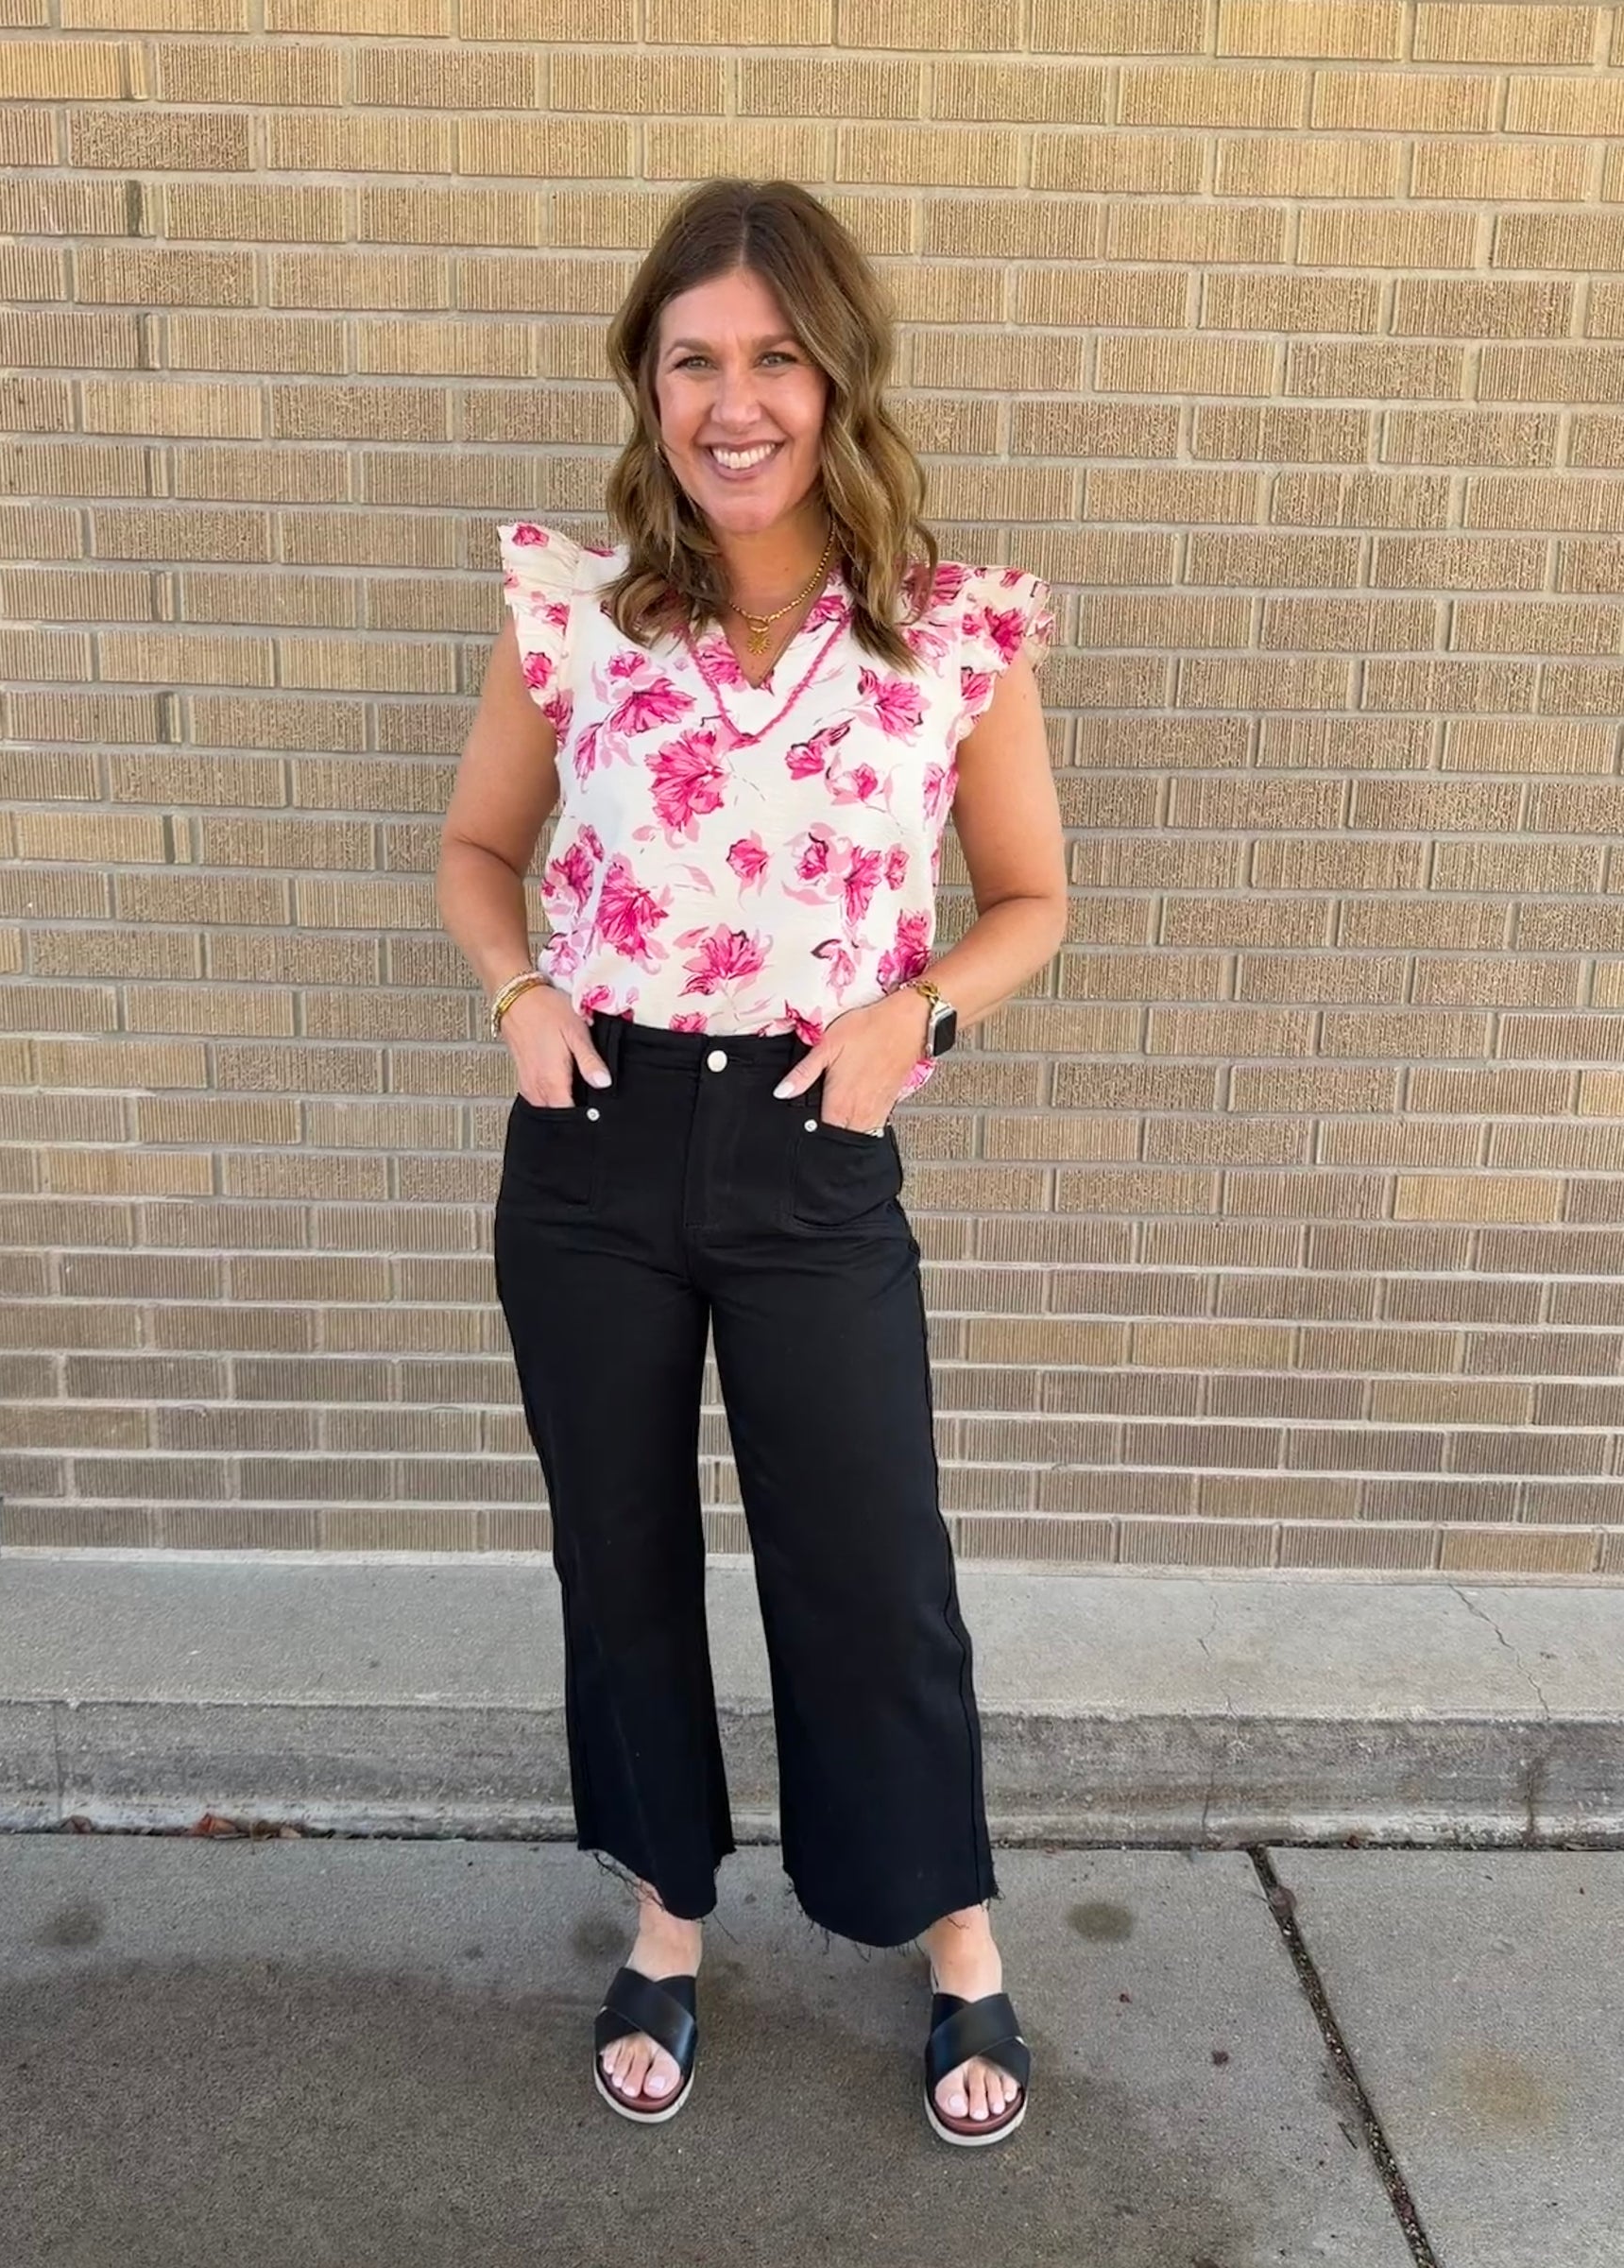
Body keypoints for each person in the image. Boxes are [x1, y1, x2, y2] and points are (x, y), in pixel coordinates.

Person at [436, 176, 1067, 2146]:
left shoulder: (950, 629)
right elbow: (473, 850)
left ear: (834, 375)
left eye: (773, 357)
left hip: (813, 1146)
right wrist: (519, 995)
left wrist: (914, 1021)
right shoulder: (579, 607)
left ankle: (949, 1932)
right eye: (694, 357)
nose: (734, 400)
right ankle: (668, 1913)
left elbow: (1034, 898)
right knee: (618, 1559)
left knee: (870, 1566)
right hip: (596, 1140)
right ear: (649, 378)